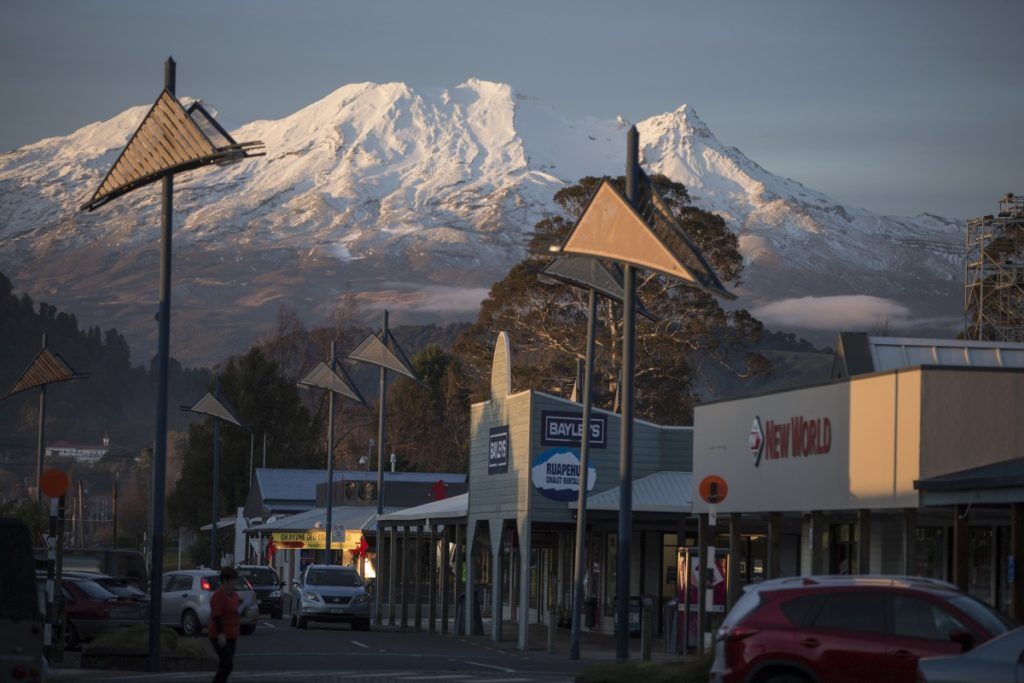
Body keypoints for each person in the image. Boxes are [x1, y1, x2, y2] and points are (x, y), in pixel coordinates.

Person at [209, 566, 241, 683]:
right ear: (226, 580)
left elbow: (236, 610)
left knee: (226, 664)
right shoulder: (218, 596)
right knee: (226, 663)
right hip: (220, 634)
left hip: (232, 634)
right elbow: (216, 616)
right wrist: (221, 634)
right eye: (234, 580)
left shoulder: (234, 595)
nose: (235, 583)